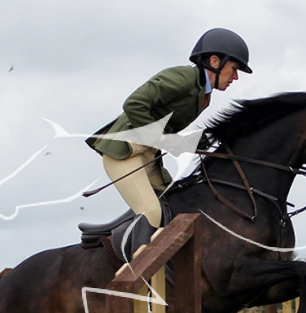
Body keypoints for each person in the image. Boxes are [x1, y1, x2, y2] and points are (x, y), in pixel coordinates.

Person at [86, 28, 252, 256]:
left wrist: (191, 142)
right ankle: (139, 274)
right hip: (124, 152)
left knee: (175, 206)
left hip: (147, 155)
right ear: (215, 61)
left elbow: (166, 132)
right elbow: (134, 104)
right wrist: (163, 138)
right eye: (234, 69)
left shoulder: (203, 96)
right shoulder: (183, 78)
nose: (236, 77)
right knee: (151, 212)